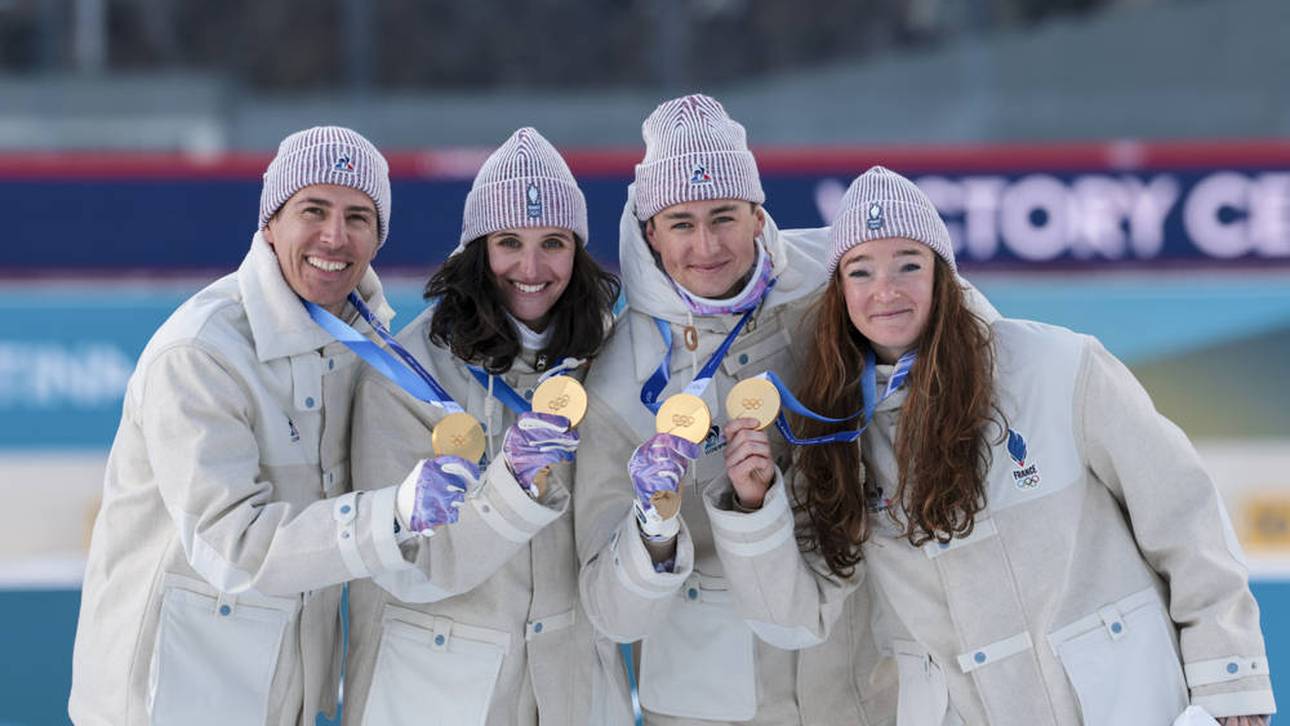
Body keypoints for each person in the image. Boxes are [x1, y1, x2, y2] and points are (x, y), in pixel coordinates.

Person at [709, 165, 1277, 726]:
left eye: (909, 264)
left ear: (943, 276)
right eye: (861, 271)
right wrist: (755, 507)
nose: (886, 290)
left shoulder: (1057, 367)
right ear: (840, 292)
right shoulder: (832, 431)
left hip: (1125, 703)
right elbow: (795, 617)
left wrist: (1232, 684)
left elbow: (1184, 519)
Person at [69, 126, 472, 725]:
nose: (334, 236)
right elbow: (231, 547)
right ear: (270, 223)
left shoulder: (369, 350)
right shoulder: (201, 353)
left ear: (378, 238)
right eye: (314, 210)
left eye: (358, 217)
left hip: (281, 698)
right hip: (166, 702)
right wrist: (393, 512)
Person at [574, 94, 896, 725]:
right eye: (681, 223)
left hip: (864, 685)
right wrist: (652, 530)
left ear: (757, 215)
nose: (706, 245)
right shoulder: (617, 380)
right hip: (708, 705)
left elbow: (957, 329)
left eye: (724, 216)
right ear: (650, 231)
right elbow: (610, 614)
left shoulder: (840, 284)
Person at [343, 127, 631, 725]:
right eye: (509, 242)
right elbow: (405, 565)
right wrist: (511, 487)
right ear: (478, 250)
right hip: (439, 698)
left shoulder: (610, 357)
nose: (531, 267)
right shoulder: (403, 374)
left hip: (574, 692)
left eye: (553, 242)